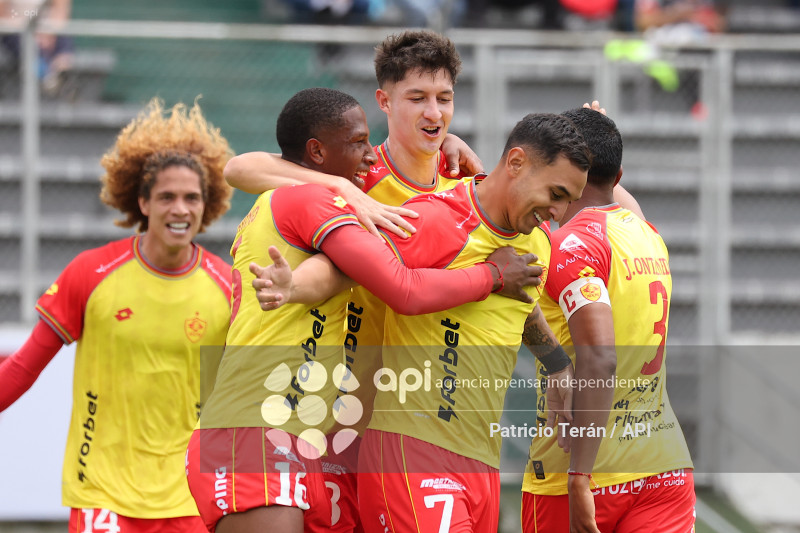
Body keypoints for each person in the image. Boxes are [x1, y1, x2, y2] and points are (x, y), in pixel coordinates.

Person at [185, 87, 540, 533]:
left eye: (445, 98)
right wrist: (492, 277)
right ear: (317, 152)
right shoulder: (313, 200)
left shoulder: (302, 200)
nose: (369, 155)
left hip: (304, 433)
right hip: (257, 425)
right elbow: (402, 288)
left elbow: (335, 274)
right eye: (356, 143)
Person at [222, 29, 487, 532]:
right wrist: (340, 184)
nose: (433, 113)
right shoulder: (361, 172)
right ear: (385, 101)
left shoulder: (462, 185)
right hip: (338, 423)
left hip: (424, 424)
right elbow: (241, 167)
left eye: (444, 99)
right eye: (417, 99)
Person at [0, 97, 235, 532]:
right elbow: (22, 369)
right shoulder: (91, 273)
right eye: (167, 197)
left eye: (191, 198)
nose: (180, 209)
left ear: (207, 206)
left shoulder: (229, 287)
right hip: (101, 492)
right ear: (143, 202)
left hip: (190, 496)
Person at [520, 107, 694, 532]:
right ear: (617, 177)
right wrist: (599, 137)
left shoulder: (570, 244)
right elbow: (612, 194)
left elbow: (599, 359)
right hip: (664, 469)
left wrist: (580, 477)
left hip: (578, 472)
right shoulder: (643, 230)